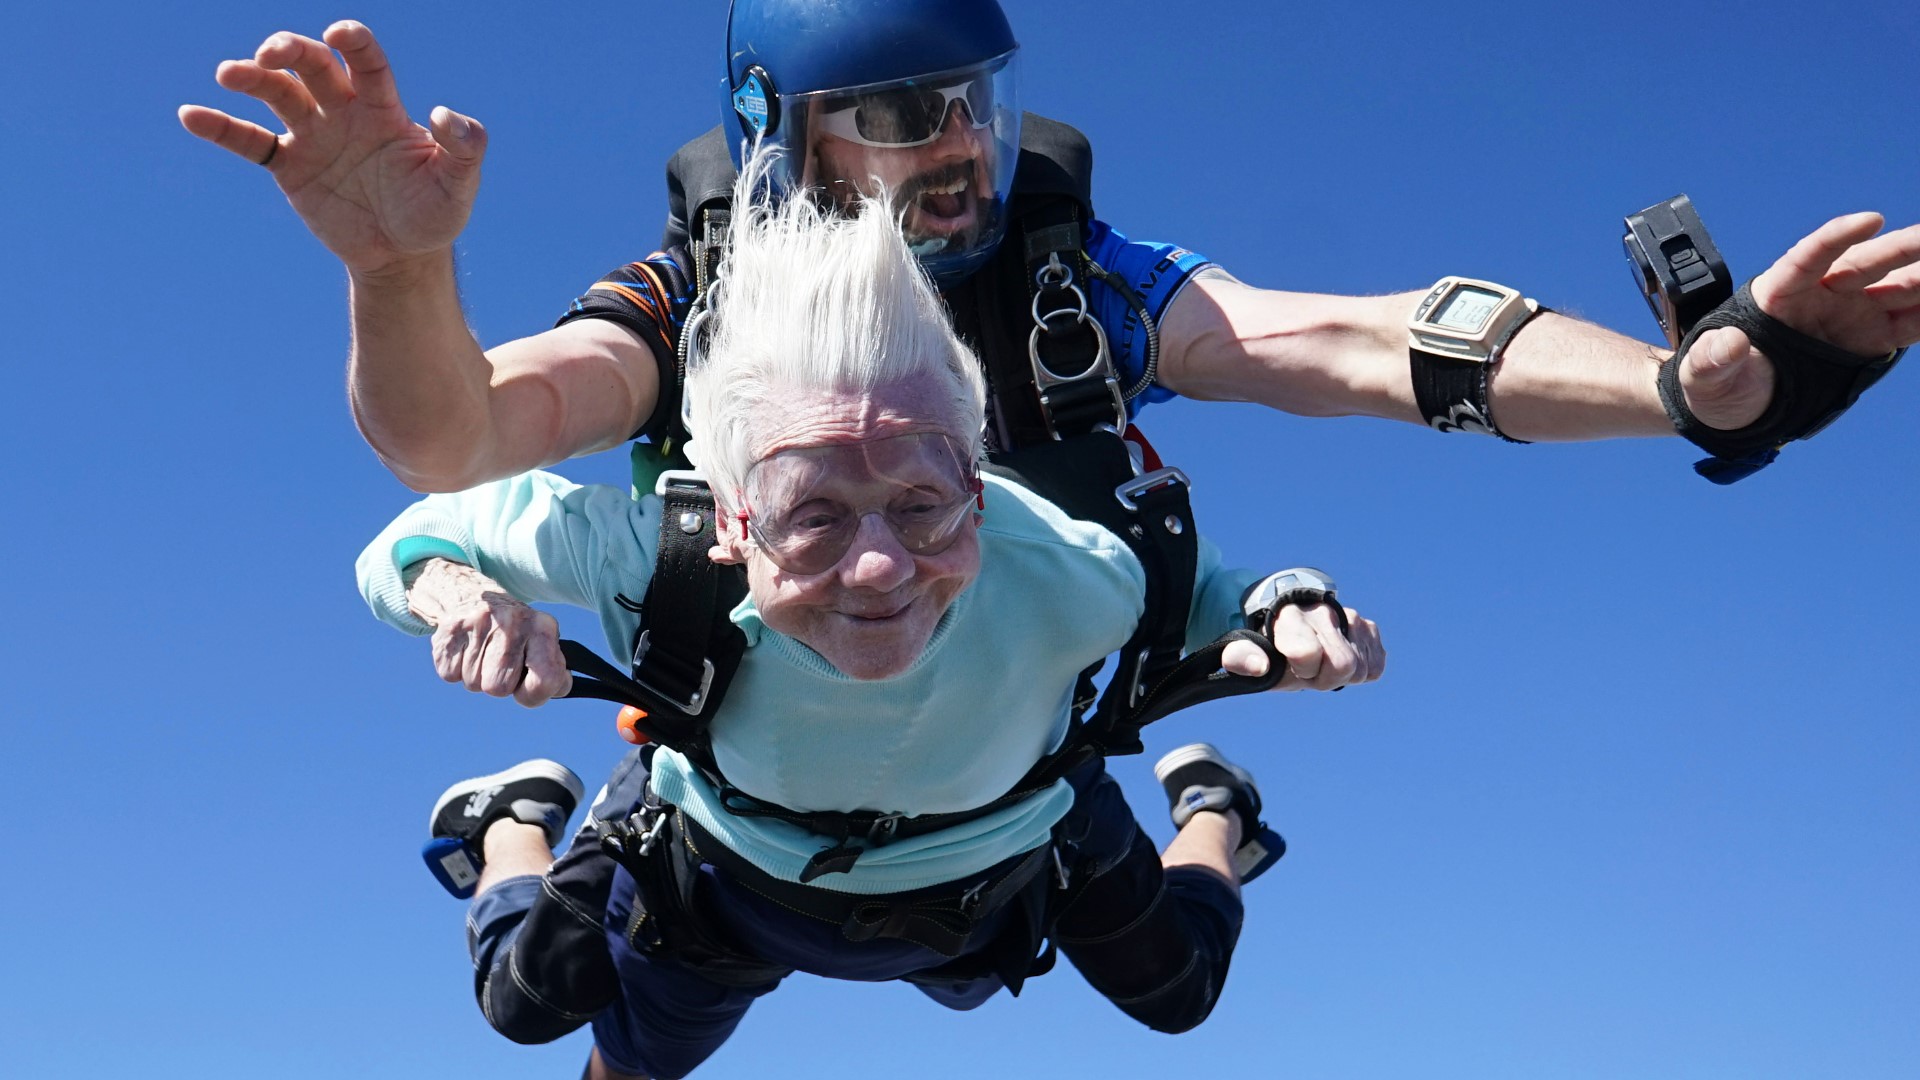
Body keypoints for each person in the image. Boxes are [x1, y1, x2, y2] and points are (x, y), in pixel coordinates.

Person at [356, 162, 1385, 1078]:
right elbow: (410, 541)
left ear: (979, 491)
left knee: (1180, 994)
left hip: (1002, 858)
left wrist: (1290, 602)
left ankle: (1216, 812)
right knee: (530, 1007)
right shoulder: (653, 556)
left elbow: (1204, 580)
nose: (882, 566)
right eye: (812, 515)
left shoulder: (1072, 567)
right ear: (729, 522)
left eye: (923, 502)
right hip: (728, 871)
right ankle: (510, 824)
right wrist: (463, 595)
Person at [181, 1, 1918, 498]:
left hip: (1010, 764)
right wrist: (398, 277)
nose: (947, 154)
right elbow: (458, 438)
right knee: (625, 990)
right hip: (765, 750)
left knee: (1161, 980)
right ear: (781, 134)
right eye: (893, 116)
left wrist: (1689, 391)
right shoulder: (698, 290)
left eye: (967, 109)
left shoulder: (1068, 276)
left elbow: (1361, 344)